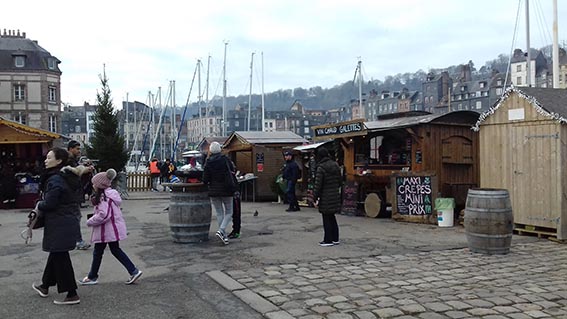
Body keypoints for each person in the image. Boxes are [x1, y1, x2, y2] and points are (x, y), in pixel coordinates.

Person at [32, 147, 82, 305]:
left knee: (61, 257)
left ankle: (72, 294)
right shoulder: (65, 176)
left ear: (59, 161)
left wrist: (39, 204)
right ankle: (45, 286)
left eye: (49, 157)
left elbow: (51, 203)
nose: (45, 160)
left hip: (60, 221)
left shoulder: (54, 179)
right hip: (67, 219)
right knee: (56, 253)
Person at [78, 168, 143, 286]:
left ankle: (93, 276)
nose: (93, 185)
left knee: (100, 252)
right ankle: (133, 271)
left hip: (106, 230)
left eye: (94, 183)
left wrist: (90, 221)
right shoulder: (111, 195)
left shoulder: (103, 197)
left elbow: (104, 215)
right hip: (111, 229)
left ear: (100, 185)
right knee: (112, 250)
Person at [202, 142, 235, 245]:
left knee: (220, 213)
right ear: (220, 149)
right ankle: (221, 231)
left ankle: (223, 236)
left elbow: (205, 179)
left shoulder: (208, 162)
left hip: (214, 191)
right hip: (226, 189)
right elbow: (232, 169)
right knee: (229, 212)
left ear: (211, 150)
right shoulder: (225, 160)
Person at [313, 147, 341, 247]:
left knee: (326, 218)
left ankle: (328, 240)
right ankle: (335, 238)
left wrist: (315, 197)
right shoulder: (335, 165)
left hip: (325, 196)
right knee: (332, 217)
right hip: (334, 194)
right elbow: (340, 181)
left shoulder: (321, 167)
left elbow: (318, 185)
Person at [67, 140, 91, 250]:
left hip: (73, 193)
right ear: (71, 149)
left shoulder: (71, 160)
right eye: (77, 149)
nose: (79, 151)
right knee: (76, 217)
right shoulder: (69, 160)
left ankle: (72, 239)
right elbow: (76, 171)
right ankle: (78, 241)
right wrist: (87, 169)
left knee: (73, 217)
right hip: (71, 193)